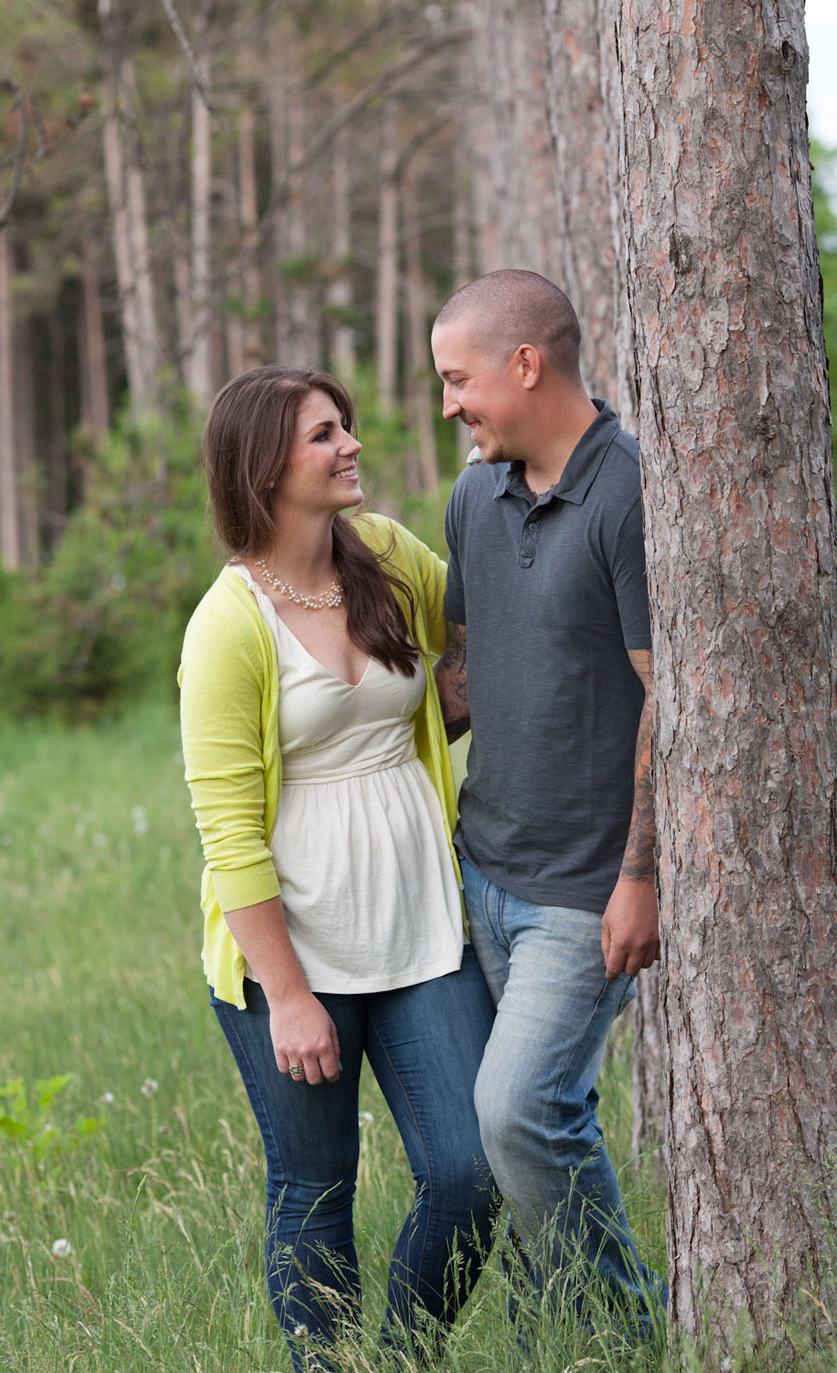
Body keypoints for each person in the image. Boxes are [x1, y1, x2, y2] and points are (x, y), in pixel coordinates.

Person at [178, 366, 497, 1371]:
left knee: (472, 1172)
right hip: (294, 954)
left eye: (345, 427)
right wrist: (289, 996)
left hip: (420, 925)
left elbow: (492, 630)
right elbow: (228, 834)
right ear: (266, 464)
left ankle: (398, 1358)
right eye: (326, 434)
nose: (351, 444)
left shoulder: (393, 555)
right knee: (313, 1190)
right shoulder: (228, 624)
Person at [430, 269, 666, 1331]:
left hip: (584, 889)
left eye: (456, 379)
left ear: (524, 364)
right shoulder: (475, 496)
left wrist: (640, 876)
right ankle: (550, 1336)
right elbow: (472, 673)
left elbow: (671, 697)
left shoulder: (629, 490)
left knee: (519, 1109)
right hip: (482, 871)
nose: (449, 405)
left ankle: (632, 1330)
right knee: (513, 1130)